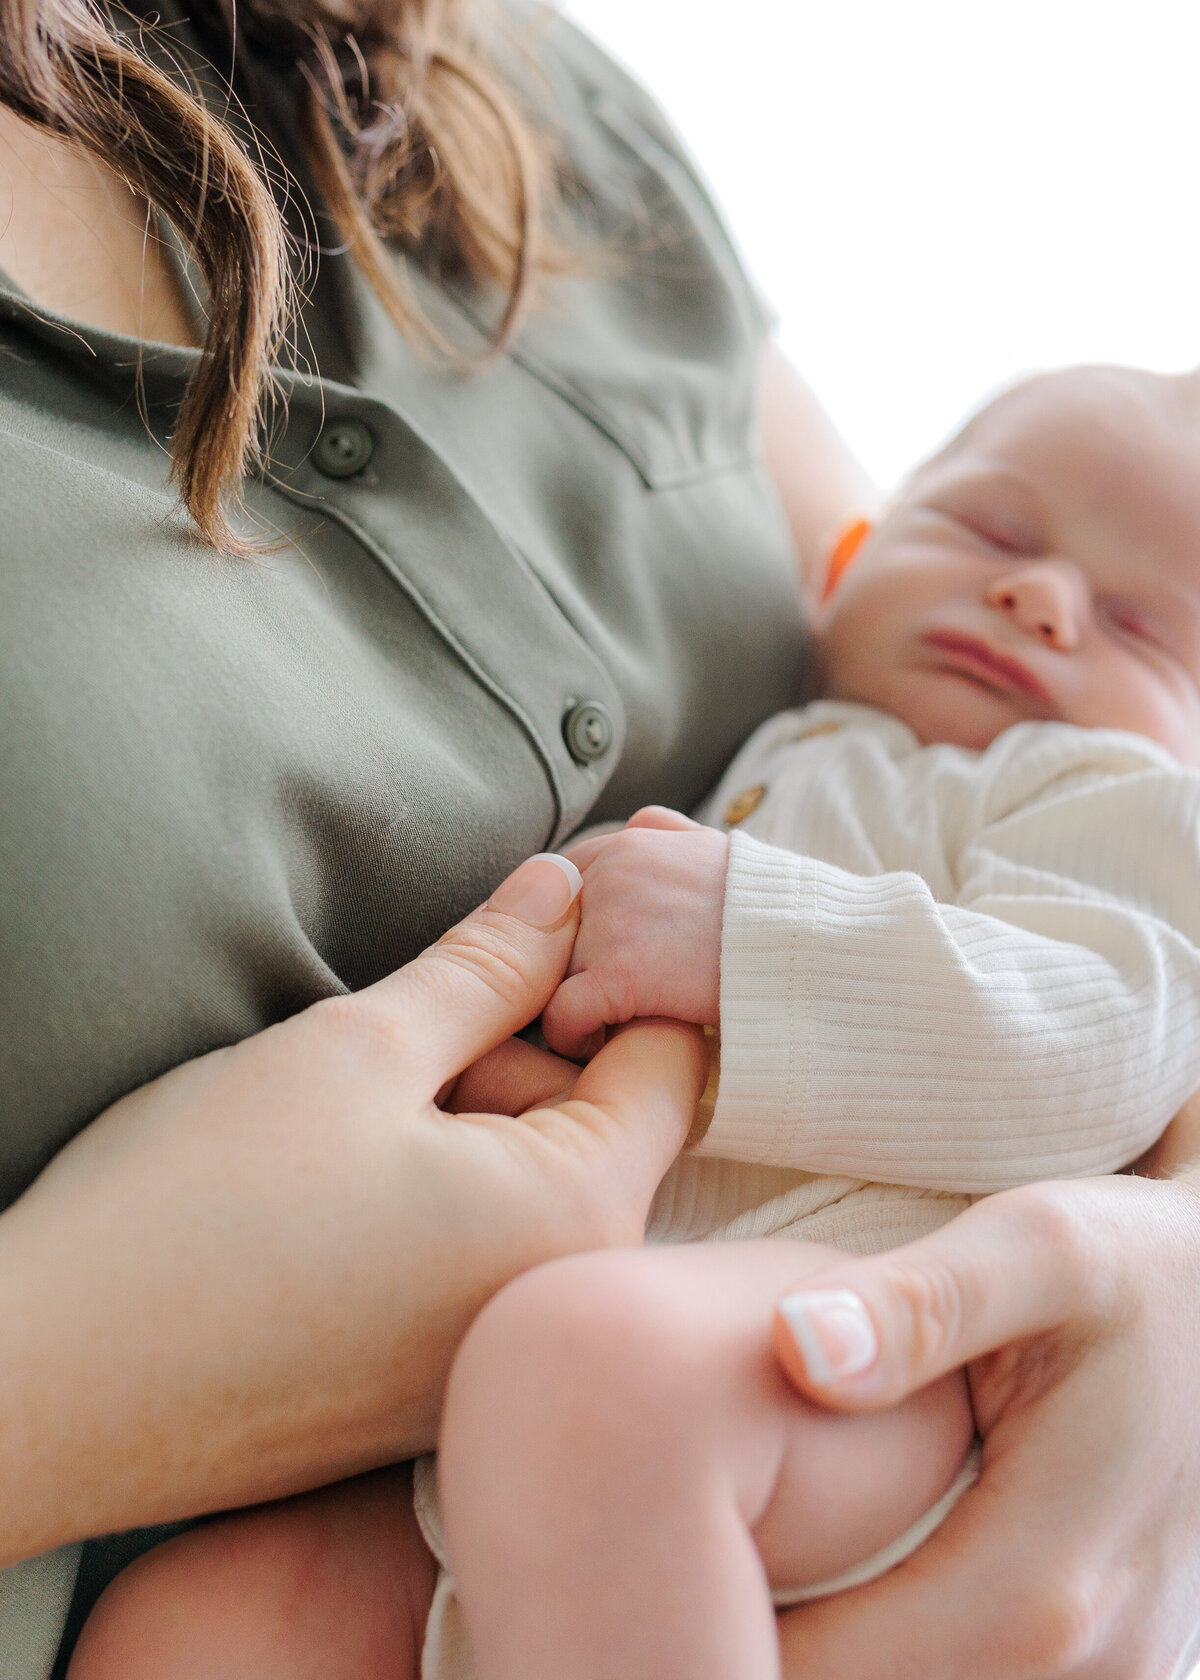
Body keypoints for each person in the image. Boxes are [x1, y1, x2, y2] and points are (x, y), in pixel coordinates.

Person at [0, 4, 1199, 1679]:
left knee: (590, 1378)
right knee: (184, 1634)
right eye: (991, 526)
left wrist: (1167, 1292)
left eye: (1148, 627)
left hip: (843, 1357)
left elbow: (1120, 1022)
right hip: (478, 1450)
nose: (1035, 593)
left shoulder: (1094, 808)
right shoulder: (832, 722)